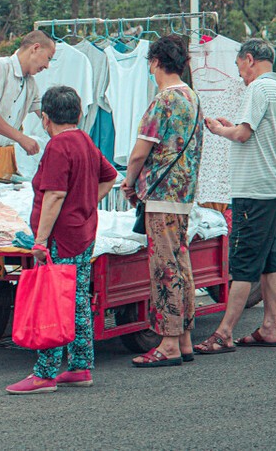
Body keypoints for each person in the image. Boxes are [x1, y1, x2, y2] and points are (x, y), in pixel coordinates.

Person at [7, 86, 117, 394]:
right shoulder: (84, 140)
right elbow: (109, 177)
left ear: (45, 118)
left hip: (61, 237)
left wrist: (40, 240)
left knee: (54, 299)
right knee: (77, 299)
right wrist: (85, 204)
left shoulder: (58, 146)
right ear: (79, 114)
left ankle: (45, 373)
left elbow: (54, 194)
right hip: (83, 232)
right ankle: (80, 367)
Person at [196, 38, 276, 354]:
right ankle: (270, 326)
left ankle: (224, 332)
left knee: (244, 263)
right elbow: (250, 131)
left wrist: (219, 130)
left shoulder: (258, 90)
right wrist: (231, 126)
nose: (240, 74)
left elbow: (242, 134)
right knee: (270, 262)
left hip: (253, 190)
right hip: (273, 187)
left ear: (249, 59)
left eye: (240, 66)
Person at [121, 35, 203, 367]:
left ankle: (168, 342)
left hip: (161, 194)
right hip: (184, 194)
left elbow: (141, 151)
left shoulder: (164, 100)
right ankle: (183, 337)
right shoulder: (192, 97)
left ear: (156, 62)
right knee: (181, 263)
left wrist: (129, 183)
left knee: (163, 268)